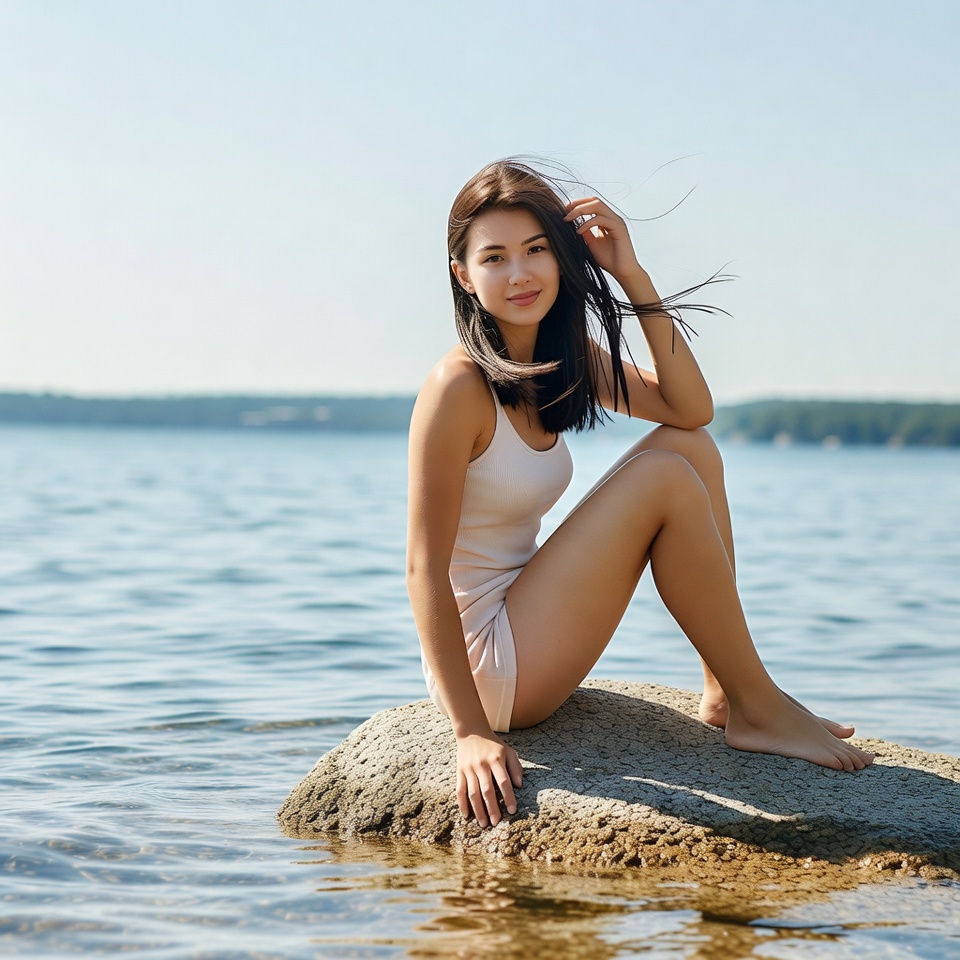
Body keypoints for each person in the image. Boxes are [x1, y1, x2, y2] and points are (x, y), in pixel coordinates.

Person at [405, 159, 873, 829]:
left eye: (537, 250)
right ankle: (759, 705)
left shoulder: (566, 358)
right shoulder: (457, 387)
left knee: (689, 450)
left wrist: (632, 273)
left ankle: (727, 693)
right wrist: (469, 733)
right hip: (491, 665)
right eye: (496, 257)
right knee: (663, 475)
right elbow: (423, 567)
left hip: (524, 614)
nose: (520, 274)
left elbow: (691, 409)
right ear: (464, 275)